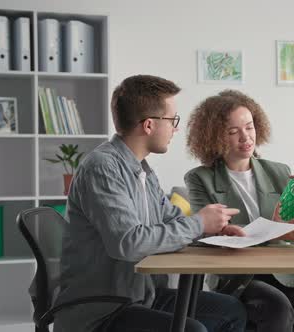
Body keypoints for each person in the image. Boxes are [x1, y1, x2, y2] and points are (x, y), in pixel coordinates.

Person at [53, 75, 247, 332]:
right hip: (103, 309)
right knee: (194, 330)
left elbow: (172, 222)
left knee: (231, 311)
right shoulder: (102, 168)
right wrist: (199, 222)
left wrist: (208, 231)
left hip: (144, 297)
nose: (176, 129)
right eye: (172, 120)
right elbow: (128, 243)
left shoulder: (144, 172)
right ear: (148, 125)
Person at [184, 90, 294, 332]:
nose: (245, 137)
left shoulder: (279, 172)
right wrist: (275, 232)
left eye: (249, 127)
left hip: (290, 271)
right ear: (214, 136)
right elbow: (208, 237)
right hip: (240, 276)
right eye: (232, 131)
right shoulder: (199, 179)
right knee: (277, 308)